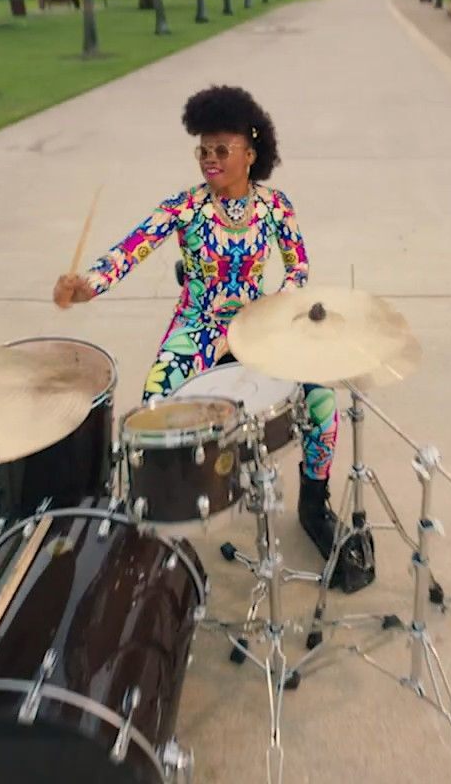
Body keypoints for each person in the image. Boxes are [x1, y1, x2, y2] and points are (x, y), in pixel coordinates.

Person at [54, 85, 372, 590]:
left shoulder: (275, 207)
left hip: (261, 324)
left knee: (321, 404)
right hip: (196, 327)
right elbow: (129, 250)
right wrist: (87, 284)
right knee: (153, 409)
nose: (210, 159)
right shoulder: (184, 208)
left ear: (251, 151)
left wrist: (267, 322)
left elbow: (298, 272)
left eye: (222, 149)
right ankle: (152, 528)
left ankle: (315, 505)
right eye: (203, 149)